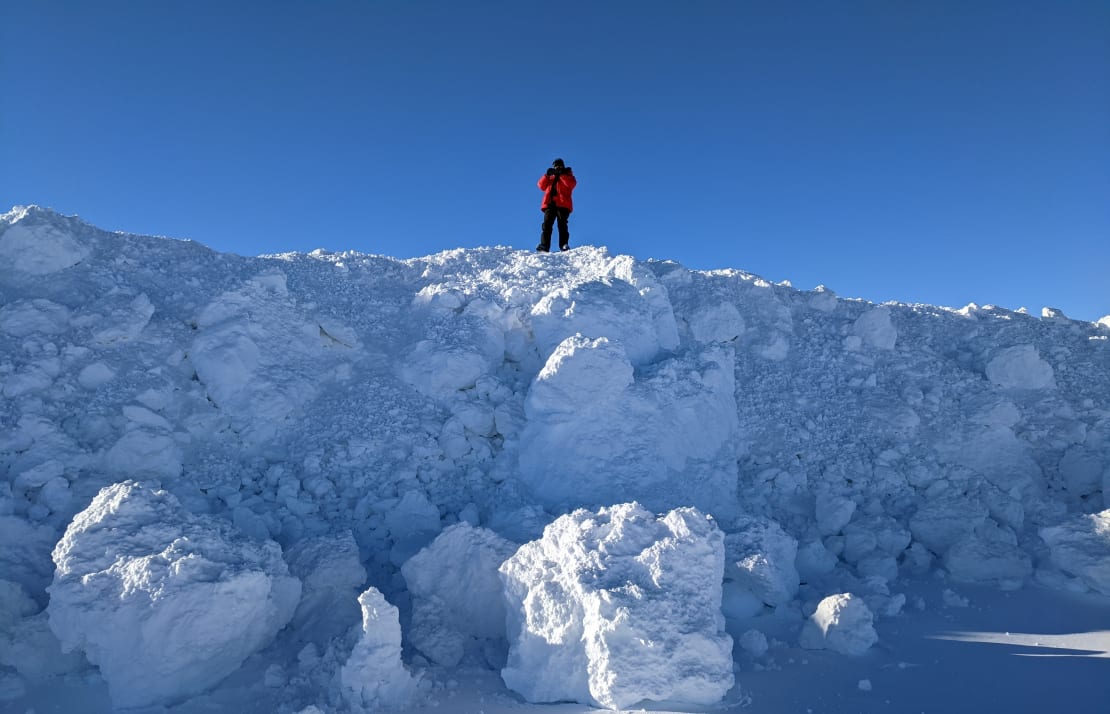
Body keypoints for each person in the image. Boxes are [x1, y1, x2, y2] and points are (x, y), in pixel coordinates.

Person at [536, 158, 577, 252]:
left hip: (563, 204)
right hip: (550, 204)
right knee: (546, 225)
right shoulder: (551, 177)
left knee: (562, 225)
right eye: (555, 166)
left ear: (563, 166)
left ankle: (564, 245)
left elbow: (570, 185)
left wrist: (562, 174)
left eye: (559, 165)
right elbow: (541, 186)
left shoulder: (568, 175)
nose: (557, 167)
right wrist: (546, 175)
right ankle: (544, 246)